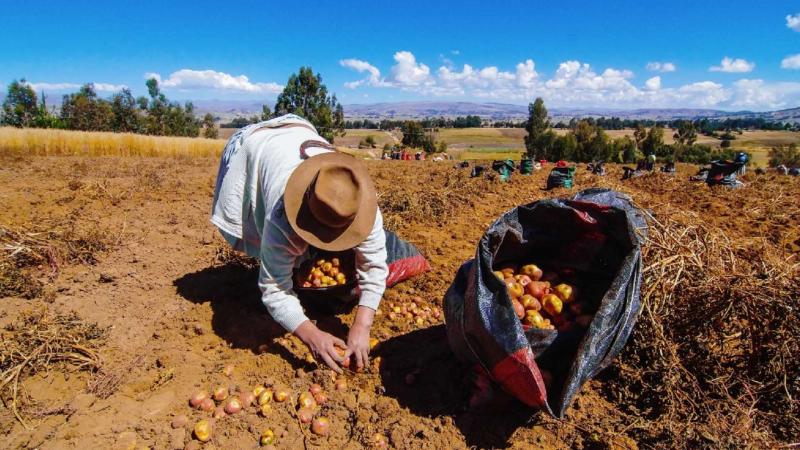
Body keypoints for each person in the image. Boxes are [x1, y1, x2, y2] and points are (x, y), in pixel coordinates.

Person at [211, 114, 388, 373]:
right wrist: (310, 335)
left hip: (299, 130)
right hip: (258, 146)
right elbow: (274, 288)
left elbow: (374, 266)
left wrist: (362, 324)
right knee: (276, 258)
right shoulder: (280, 216)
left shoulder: (359, 206)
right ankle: (280, 261)